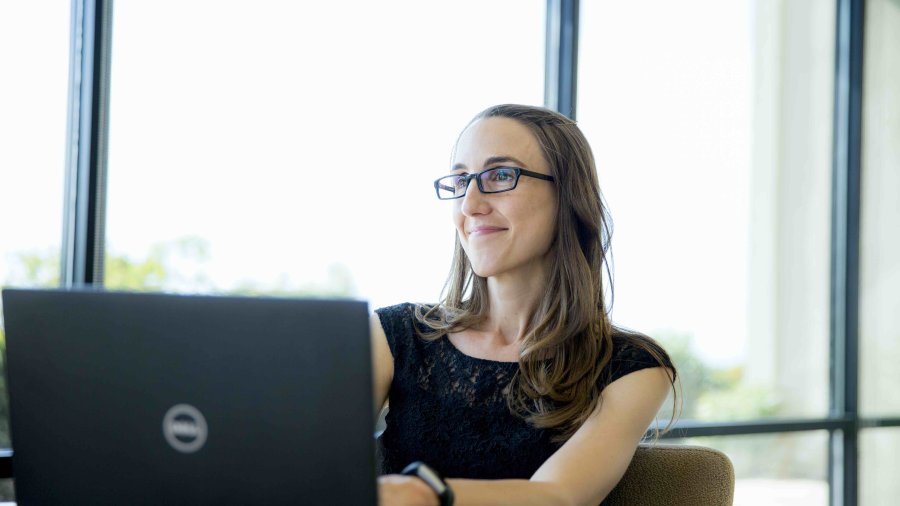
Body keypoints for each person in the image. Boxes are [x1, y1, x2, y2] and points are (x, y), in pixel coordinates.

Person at [372, 104, 677, 506]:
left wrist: (421, 494)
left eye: (500, 175)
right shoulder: (394, 335)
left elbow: (558, 496)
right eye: (462, 179)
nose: (470, 204)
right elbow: (312, 456)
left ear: (568, 196)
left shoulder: (631, 368)